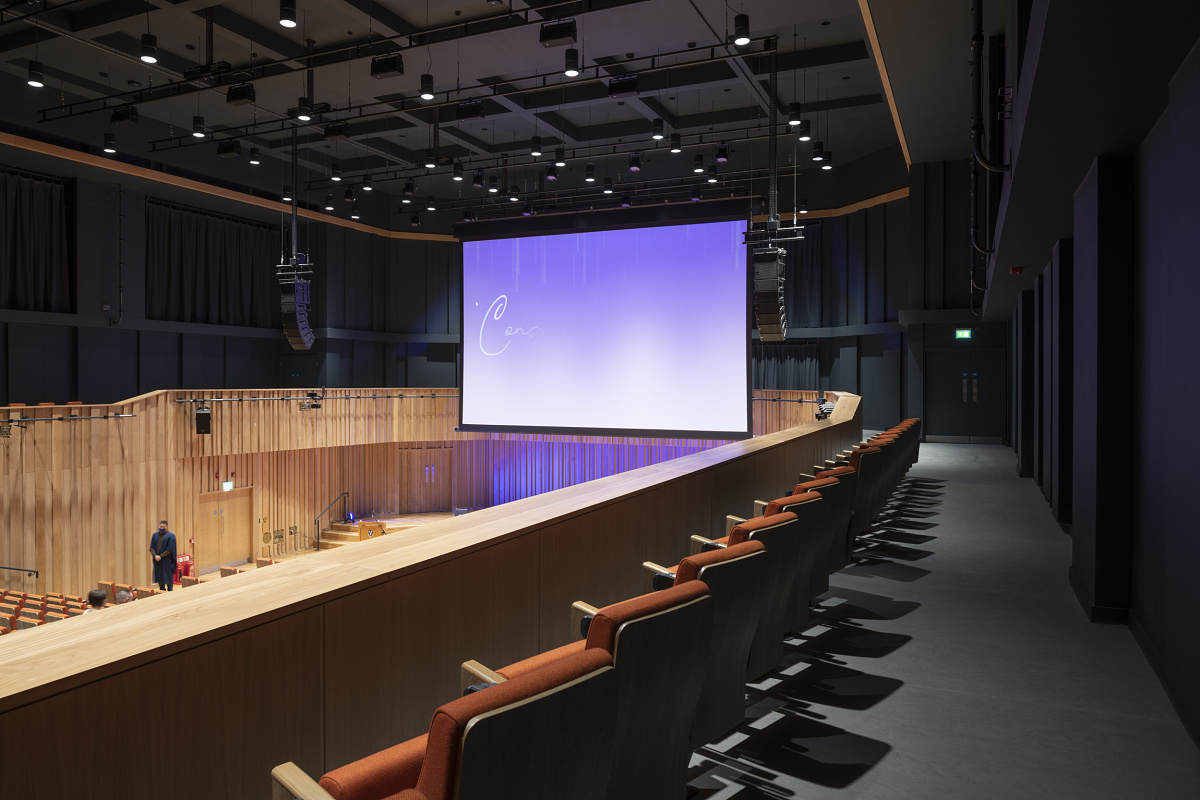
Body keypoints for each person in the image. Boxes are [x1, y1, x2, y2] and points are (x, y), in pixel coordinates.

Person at [150, 520, 177, 592]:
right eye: (160, 526)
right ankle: (162, 590)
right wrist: (155, 555)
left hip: (166, 560)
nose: (161, 528)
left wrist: (160, 556)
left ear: (167, 527)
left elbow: (170, 549)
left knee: (168, 576)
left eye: (163, 527)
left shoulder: (171, 536)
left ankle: (170, 590)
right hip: (157, 560)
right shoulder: (155, 535)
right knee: (160, 577)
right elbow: (151, 547)